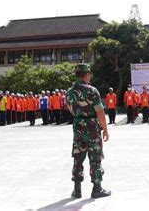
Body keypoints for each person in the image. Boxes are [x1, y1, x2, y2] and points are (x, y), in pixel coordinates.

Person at [67, 63, 111, 199]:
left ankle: (77, 190)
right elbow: (100, 112)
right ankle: (97, 188)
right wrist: (105, 129)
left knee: (78, 158)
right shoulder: (92, 91)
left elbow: (70, 109)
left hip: (78, 126)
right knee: (95, 158)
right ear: (86, 75)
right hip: (92, 127)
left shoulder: (69, 92)